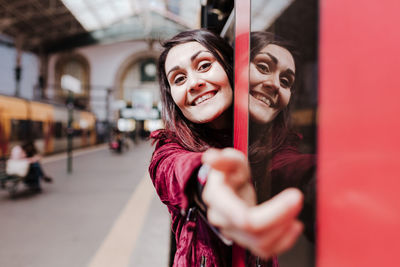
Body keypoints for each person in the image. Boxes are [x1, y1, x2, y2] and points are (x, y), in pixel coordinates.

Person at [149, 29, 304, 266]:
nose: (194, 83)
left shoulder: (275, 143)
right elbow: (176, 171)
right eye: (179, 79)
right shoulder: (168, 149)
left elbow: (293, 166)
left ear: (231, 70)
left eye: (204, 65)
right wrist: (209, 182)